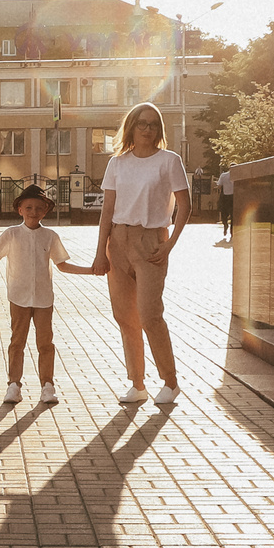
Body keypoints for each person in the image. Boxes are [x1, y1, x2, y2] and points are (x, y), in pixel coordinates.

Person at [0, 183, 102, 406]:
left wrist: (91, 270)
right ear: (20, 209)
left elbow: (63, 265)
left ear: (45, 211)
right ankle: (14, 385)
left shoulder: (50, 236)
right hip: (18, 297)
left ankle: (47, 386)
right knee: (17, 341)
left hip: (42, 299)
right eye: (28, 207)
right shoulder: (11, 234)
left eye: (39, 208)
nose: (33, 212)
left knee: (45, 342)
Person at [94, 102, 193, 406]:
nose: (148, 129)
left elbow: (185, 205)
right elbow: (107, 210)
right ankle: (137, 384)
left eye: (153, 124)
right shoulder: (118, 163)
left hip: (151, 242)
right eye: (142, 123)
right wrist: (101, 252)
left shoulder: (169, 161)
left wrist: (170, 244)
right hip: (118, 241)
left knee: (150, 314)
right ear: (132, 127)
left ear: (159, 130)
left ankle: (171, 382)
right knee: (125, 316)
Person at [217, 165, 236, 242]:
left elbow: (219, 186)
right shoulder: (237, 176)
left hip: (225, 196)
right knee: (233, 215)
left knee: (224, 213)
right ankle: (232, 231)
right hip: (233, 197)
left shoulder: (223, 175)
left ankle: (225, 224)